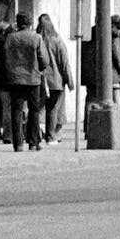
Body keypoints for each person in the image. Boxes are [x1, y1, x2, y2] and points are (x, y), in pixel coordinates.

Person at [1, 12, 48, 152]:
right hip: (33, 78)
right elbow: (44, 60)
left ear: (17, 23)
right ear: (30, 23)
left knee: (16, 110)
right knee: (34, 111)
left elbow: (4, 58)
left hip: (15, 79)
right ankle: (33, 142)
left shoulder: (10, 38)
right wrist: (40, 67)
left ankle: (18, 144)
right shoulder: (36, 38)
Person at [37, 15, 72, 145]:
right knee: (53, 109)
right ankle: (51, 136)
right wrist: (70, 81)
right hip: (55, 81)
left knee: (38, 108)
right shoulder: (57, 41)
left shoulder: (37, 39)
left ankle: (37, 133)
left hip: (39, 80)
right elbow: (64, 63)